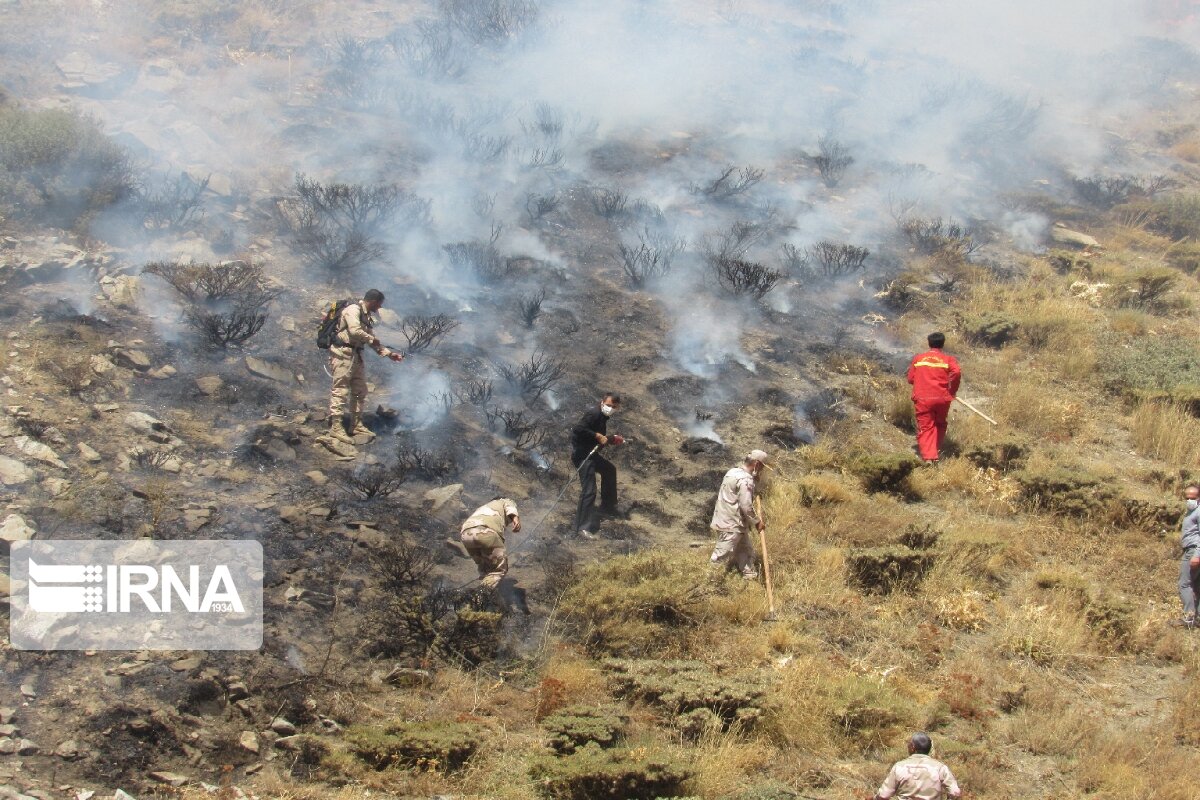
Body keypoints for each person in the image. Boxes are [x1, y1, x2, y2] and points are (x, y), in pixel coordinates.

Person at [326, 289, 403, 444]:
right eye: (379, 304)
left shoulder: (366, 315)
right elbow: (355, 332)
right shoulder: (353, 310)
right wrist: (370, 339)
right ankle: (336, 428)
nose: (379, 308)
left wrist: (388, 354)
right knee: (340, 391)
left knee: (360, 391)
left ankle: (356, 424)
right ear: (373, 301)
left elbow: (371, 340)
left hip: (356, 356)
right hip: (343, 355)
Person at [570, 393, 626, 538]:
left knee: (609, 470)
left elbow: (597, 438)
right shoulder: (594, 413)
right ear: (602, 403)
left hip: (591, 454)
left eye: (614, 407)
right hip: (583, 456)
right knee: (589, 490)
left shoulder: (603, 417)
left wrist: (611, 439)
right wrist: (597, 436)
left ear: (618, 408)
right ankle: (581, 528)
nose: (610, 408)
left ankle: (608, 506)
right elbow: (578, 429)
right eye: (608, 405)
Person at [709, 450, 769, 579]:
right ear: (757, 464)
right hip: (732, 524)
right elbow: (746, 505)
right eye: (762, 467)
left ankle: (749, 577)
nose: (762, 470)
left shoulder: (732, 472)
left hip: (729, 521)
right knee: (721, 556)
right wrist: (757, 522)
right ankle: (709, 581)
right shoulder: (745, 480)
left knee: (746, 552)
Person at [906, 332, 961, 464]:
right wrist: (951, 390)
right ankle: (934, 451)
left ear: (929, 343)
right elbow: (957, 372)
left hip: (923, 399)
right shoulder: (948, 359)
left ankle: (930, 458)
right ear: (942, 344)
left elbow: (910, 379)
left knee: (926, 426)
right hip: (942, 398)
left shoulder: (919, 359)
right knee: (940, 423)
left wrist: (923, 380)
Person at [874, 732, 962, 800]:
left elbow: (883, 795)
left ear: (912, 747)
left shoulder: (899, 767)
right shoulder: (940, 768)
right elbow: (955, 792)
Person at [459, 497, 520, 589]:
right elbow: (510, 506)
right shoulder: (504, 500)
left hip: (466, 534)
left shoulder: (482, 508)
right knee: (498, 570)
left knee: (485, 568)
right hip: (485, 531)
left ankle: (489, 595)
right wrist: (516, 519)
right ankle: (479, 599)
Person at [1176, 484, 1200, 628]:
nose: (1189, 500)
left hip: (1194, 551)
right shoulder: (1191, 511)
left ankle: (1189, 618)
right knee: (1196, 586)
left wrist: (1196, 555)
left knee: (1184, 584)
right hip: (1192, 550)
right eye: (1187, 498)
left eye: (1193, 498)